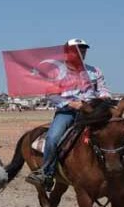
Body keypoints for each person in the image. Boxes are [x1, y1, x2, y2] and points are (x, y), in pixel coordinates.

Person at [27, 38, 111, 190]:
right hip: (67, 113)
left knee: (114, 131)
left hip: (92, 112)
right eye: (77, 49)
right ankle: (46, 173)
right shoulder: (56, 72)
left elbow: (103, 89)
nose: (81, 52)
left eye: (83, 49)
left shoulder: (95, 71)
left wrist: (103, 97)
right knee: (52, 138)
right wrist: (71, 104)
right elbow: (51, 94)